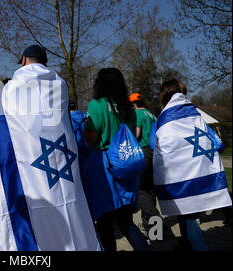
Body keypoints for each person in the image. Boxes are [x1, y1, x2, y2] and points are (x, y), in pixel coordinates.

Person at [0, 44, 100, 251]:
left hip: (32, 166)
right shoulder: (61, 85)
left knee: (39, 217)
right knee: (68, 209)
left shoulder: (10, 90)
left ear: (23, 61)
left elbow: (1, 133)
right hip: (62, 162)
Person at [153, 79, 232, 251]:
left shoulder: (163, 119)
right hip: (198, 169)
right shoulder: (195, 114)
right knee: (185, 212)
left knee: (183, 213)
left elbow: (160, 145)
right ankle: (185, 242)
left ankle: (186, 244)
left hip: (177, 173)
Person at [82, 68, 150, 251]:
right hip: (127, 166)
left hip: (105, 169)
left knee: (104, 223)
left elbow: (91, 139)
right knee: (126, 222)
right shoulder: (128, 108)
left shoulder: (96, 105)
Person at [128, 93, 164, 233]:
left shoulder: (138, 114)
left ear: (133, 104)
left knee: (140, 191)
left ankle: (157, 222)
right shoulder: (152, 115)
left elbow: (137, 134)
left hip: (142, 152)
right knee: (150, 190)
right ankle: (152, 229)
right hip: (154, 153)